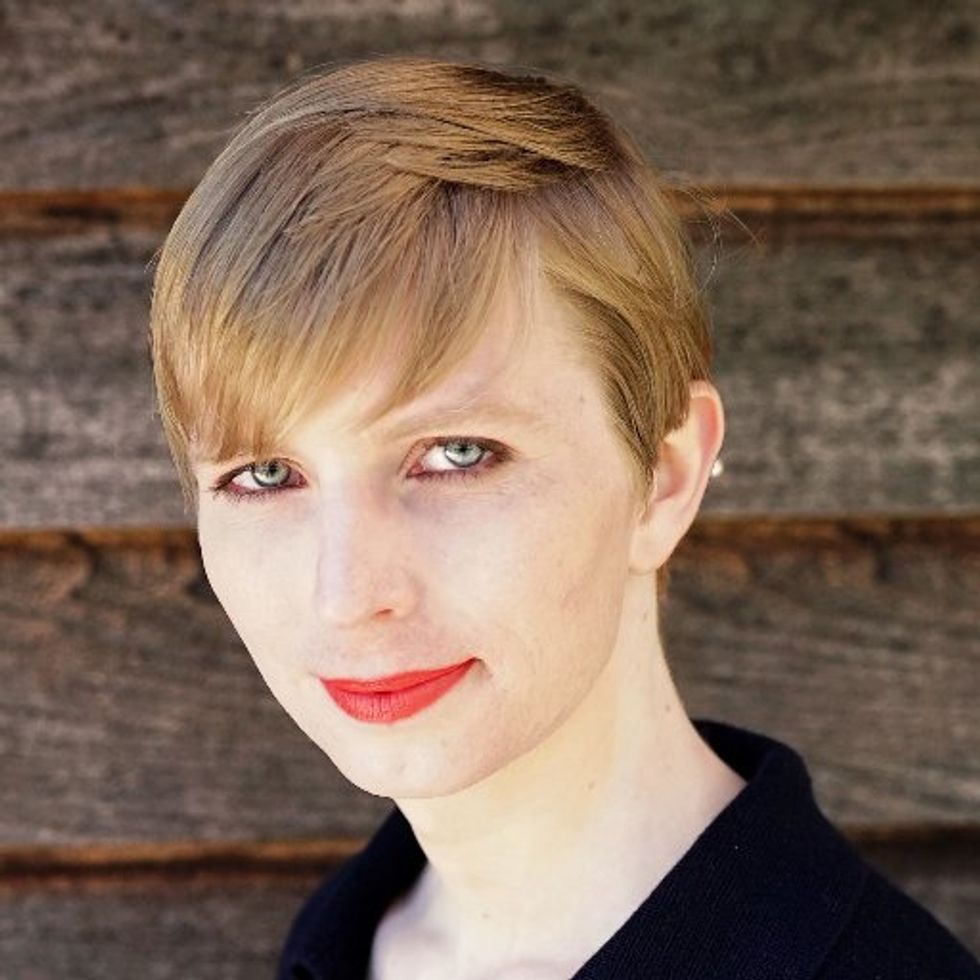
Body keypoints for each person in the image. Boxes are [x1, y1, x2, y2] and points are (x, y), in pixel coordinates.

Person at [147, 54, 979, 980]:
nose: (347, 594)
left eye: (458, 454)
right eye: (264, 475)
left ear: (665, 475)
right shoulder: (340, 945)